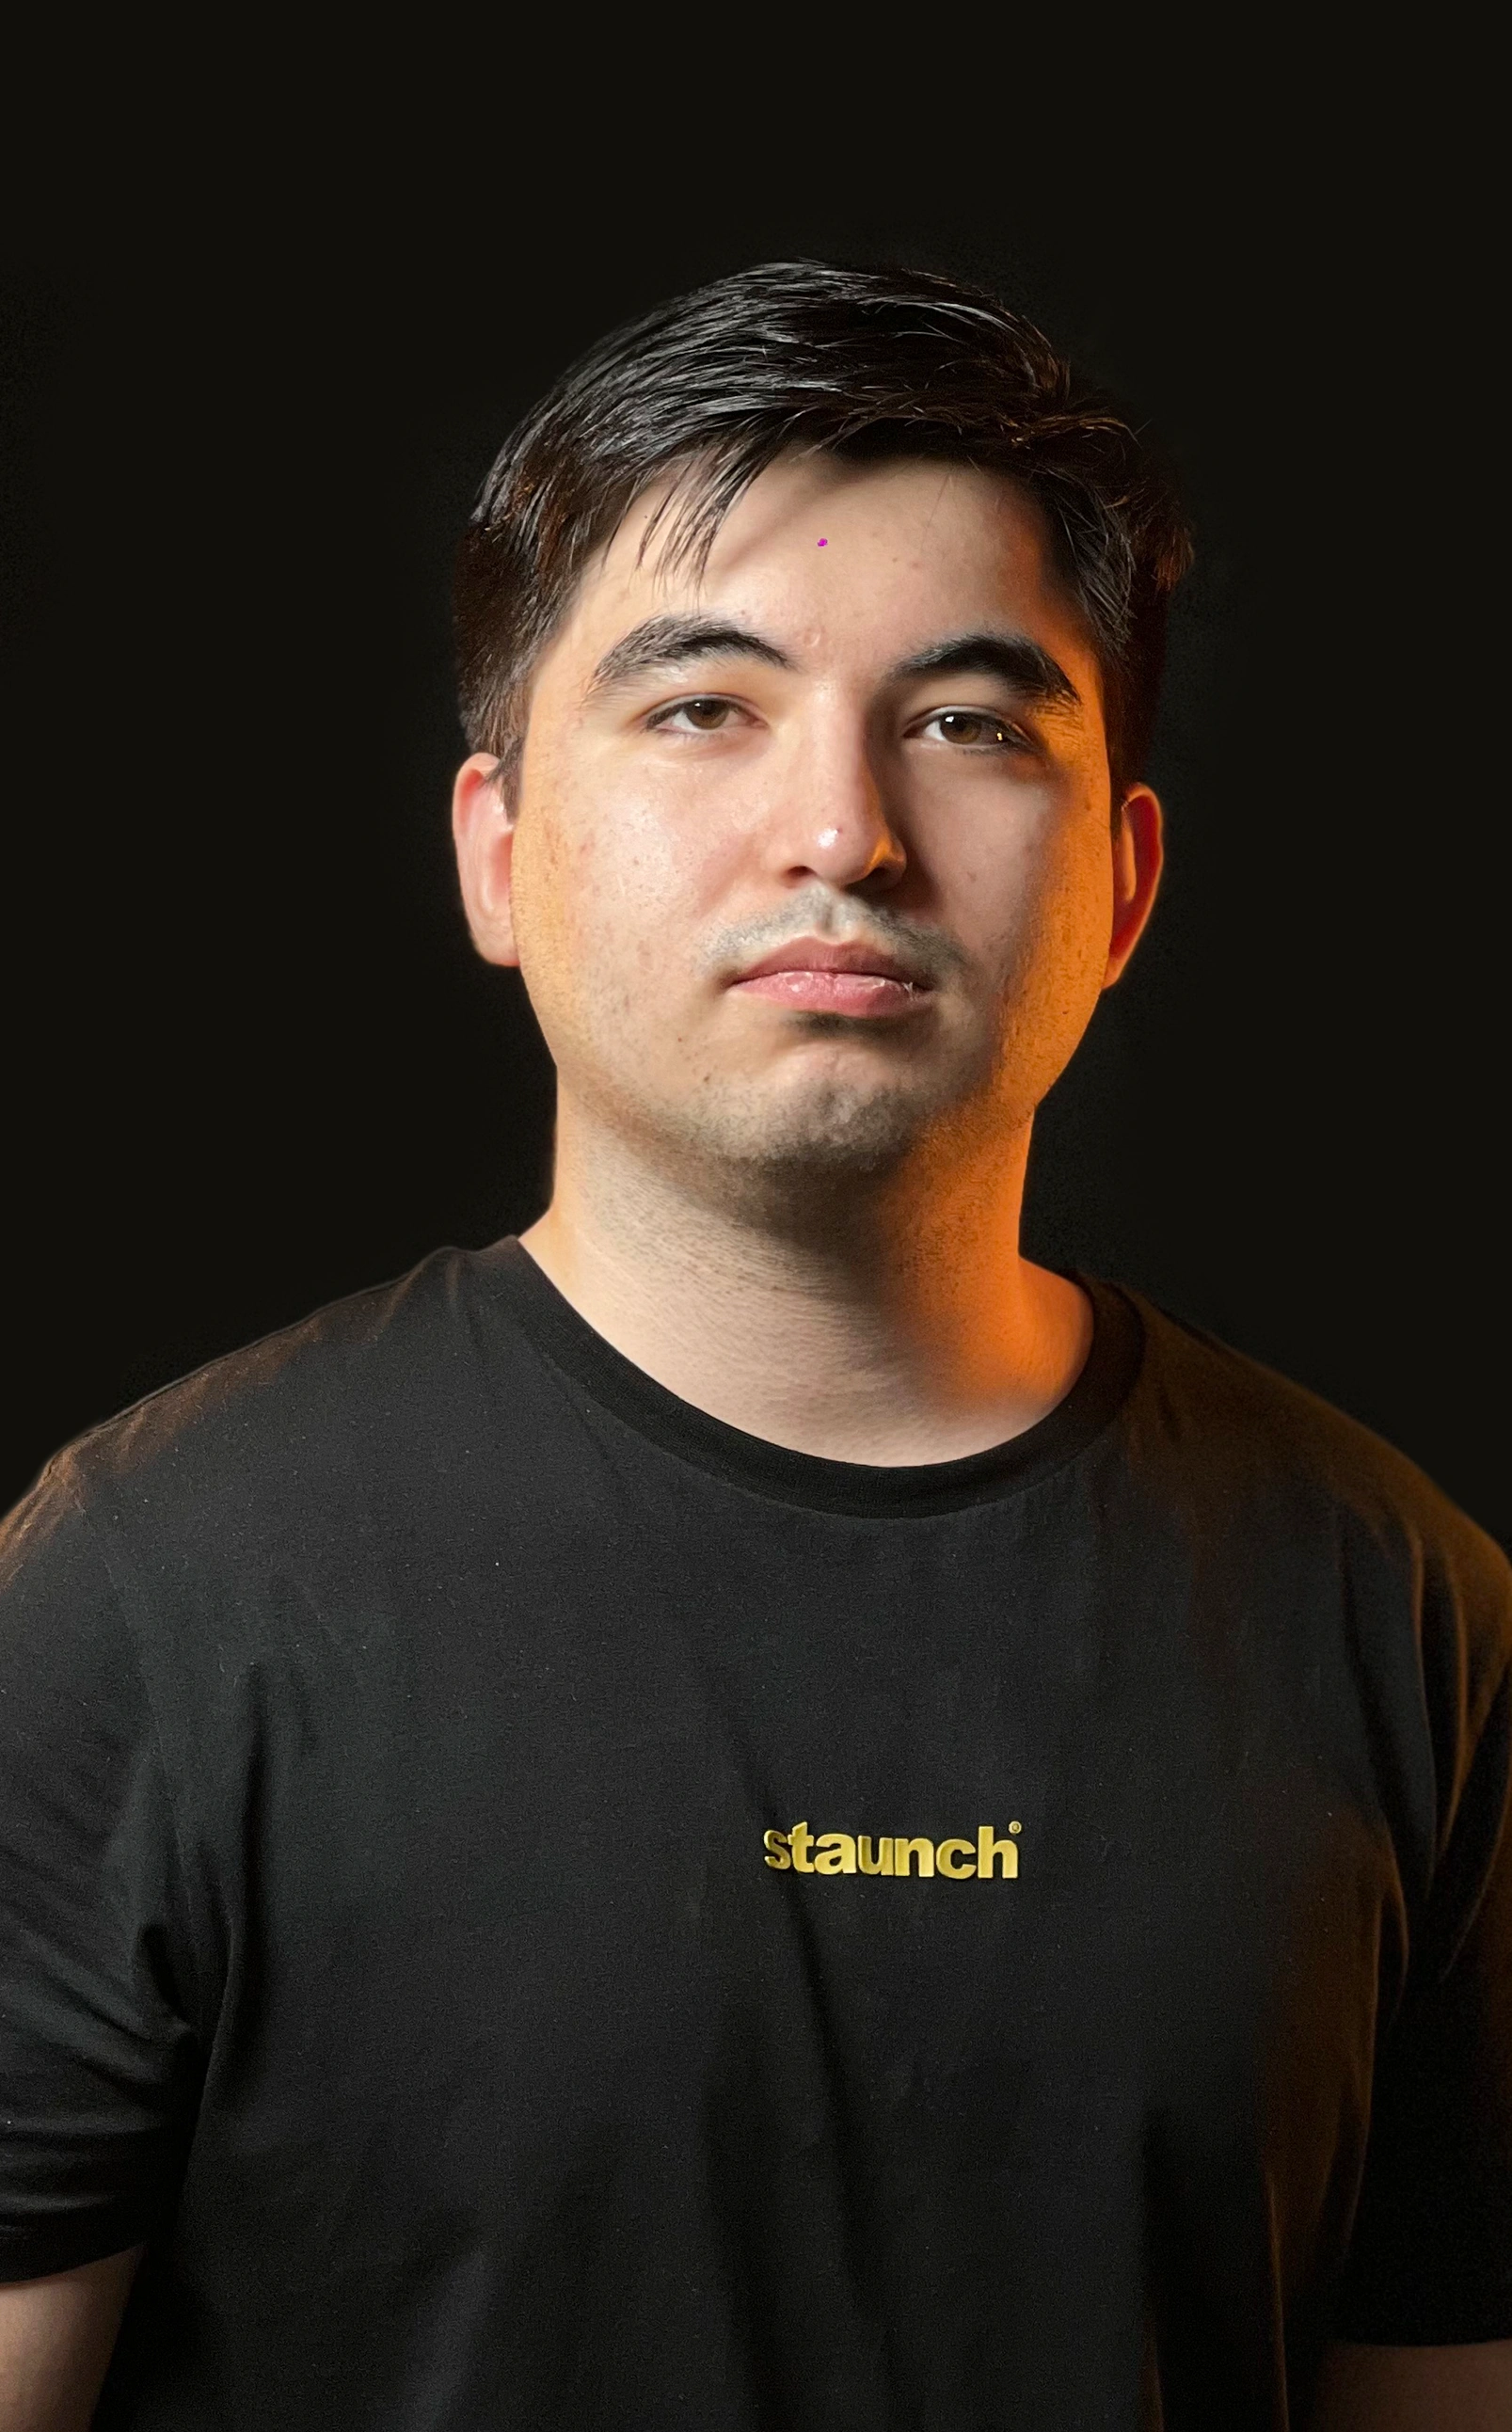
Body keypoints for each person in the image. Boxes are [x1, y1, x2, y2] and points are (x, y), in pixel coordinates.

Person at [1, 262, 1507, 2431]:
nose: (840, 834)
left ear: (1122, 883)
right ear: (497, 850)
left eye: (967, 722)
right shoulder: (143, 1592)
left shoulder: (1399, 1609)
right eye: (702, 705)